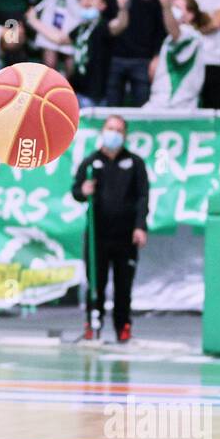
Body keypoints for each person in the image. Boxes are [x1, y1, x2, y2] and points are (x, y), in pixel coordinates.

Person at [72, 114, 148, 342]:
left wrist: (140, 226)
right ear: (102, 132)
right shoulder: (91, 162)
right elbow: (76, 191)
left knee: (123, 285)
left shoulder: (135, 163)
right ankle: (92, 324)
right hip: (98, 235)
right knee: (96, 283)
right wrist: (83, 191)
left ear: (124, 135)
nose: (113, 133)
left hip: (125, 236)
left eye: (118, 130)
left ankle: (123, 327)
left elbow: (143, 197)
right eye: (109, 128)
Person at [105, 0, 163, 106]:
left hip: (143, 59)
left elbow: (160, 26)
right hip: (115, 57)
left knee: (143, 107)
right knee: (112, 108)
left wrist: (157, 56)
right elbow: (106, 21)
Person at [146, 0, 207, 109]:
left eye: (178, 7)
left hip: (176, 105)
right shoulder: (169, 38)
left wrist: (167, 8)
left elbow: (176, 33)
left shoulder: (191, 35)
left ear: (190, 15)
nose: (173, 9)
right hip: (160, 102)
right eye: (172, 6)